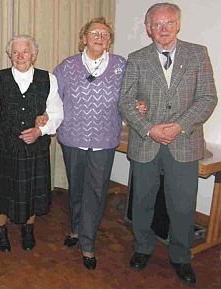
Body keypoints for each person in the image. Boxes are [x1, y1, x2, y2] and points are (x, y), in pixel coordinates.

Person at [118, 3, 217, 284]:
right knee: (142, 201)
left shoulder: (198, 54)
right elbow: (125, 101)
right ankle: (143, 247)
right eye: (156, 24)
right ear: (148, 28)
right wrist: (150, 130)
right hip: (146, 142)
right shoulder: (136, 58)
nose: (163, 29)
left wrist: (179, 126)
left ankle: (182, 257)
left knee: (183, 205)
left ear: (178, 25)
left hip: (184, 142)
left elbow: (208, 98)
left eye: (169, 23)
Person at [53, 17, 126, 270]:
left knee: (95, 190)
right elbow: (54, 101)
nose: (99, 37)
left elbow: (131, 97)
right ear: (83, 37)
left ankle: (88, 242)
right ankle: (76, 228)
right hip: (72, 138)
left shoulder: (121, 66)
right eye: (94, 32)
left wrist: (139, 104)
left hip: (104, 140)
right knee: (76, 187)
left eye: (105, 34)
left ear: (109, 41)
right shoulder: (66, 67)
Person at [0, 35, 63, 252]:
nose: (20, 56)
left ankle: (28, 229)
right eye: (15, 52)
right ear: (9, 55)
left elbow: (56, 113)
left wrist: (40, 130)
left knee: (31, 189)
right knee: (1, 190)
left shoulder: (49, 79)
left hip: (34, 146)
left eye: (25, 51)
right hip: (2, 145)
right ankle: (0, 229)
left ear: (33, 55)